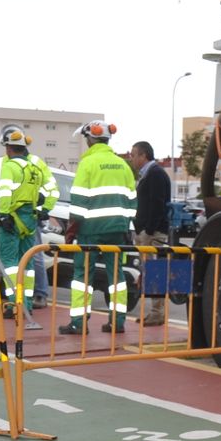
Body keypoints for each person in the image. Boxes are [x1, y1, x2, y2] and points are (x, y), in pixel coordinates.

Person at [61, 122, 136, 335]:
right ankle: (117, 322)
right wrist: (125, 226)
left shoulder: (88, 163)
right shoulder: (122, 165)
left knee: (83, 276)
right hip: (117, 230)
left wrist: (71, 230)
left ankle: (78, 323)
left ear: (90, 139)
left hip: (90, 230)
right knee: (117, 276)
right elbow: (132, 200)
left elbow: (78, 201)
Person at [0, 126, 56, 328]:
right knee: (28, 263)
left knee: (10, 263)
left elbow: (5, 192)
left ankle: (14, 305)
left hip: (12, 217)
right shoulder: (34, 166)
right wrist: (44, 208)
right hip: (29, 220)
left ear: (8, 147)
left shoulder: (8, 166)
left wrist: (3, 213)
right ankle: (26, 304)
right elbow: (52, 190)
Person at [128, 140, 171, 327]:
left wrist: (149, 230)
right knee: (150, 272)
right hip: (147, 231)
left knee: (155, 272)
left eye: (133, 155)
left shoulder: (155, 174)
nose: (131, 159)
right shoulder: (149, 174)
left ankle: (157, 313)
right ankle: (155, 312)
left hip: (152, 234)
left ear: (143, 155)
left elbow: (157, 204)